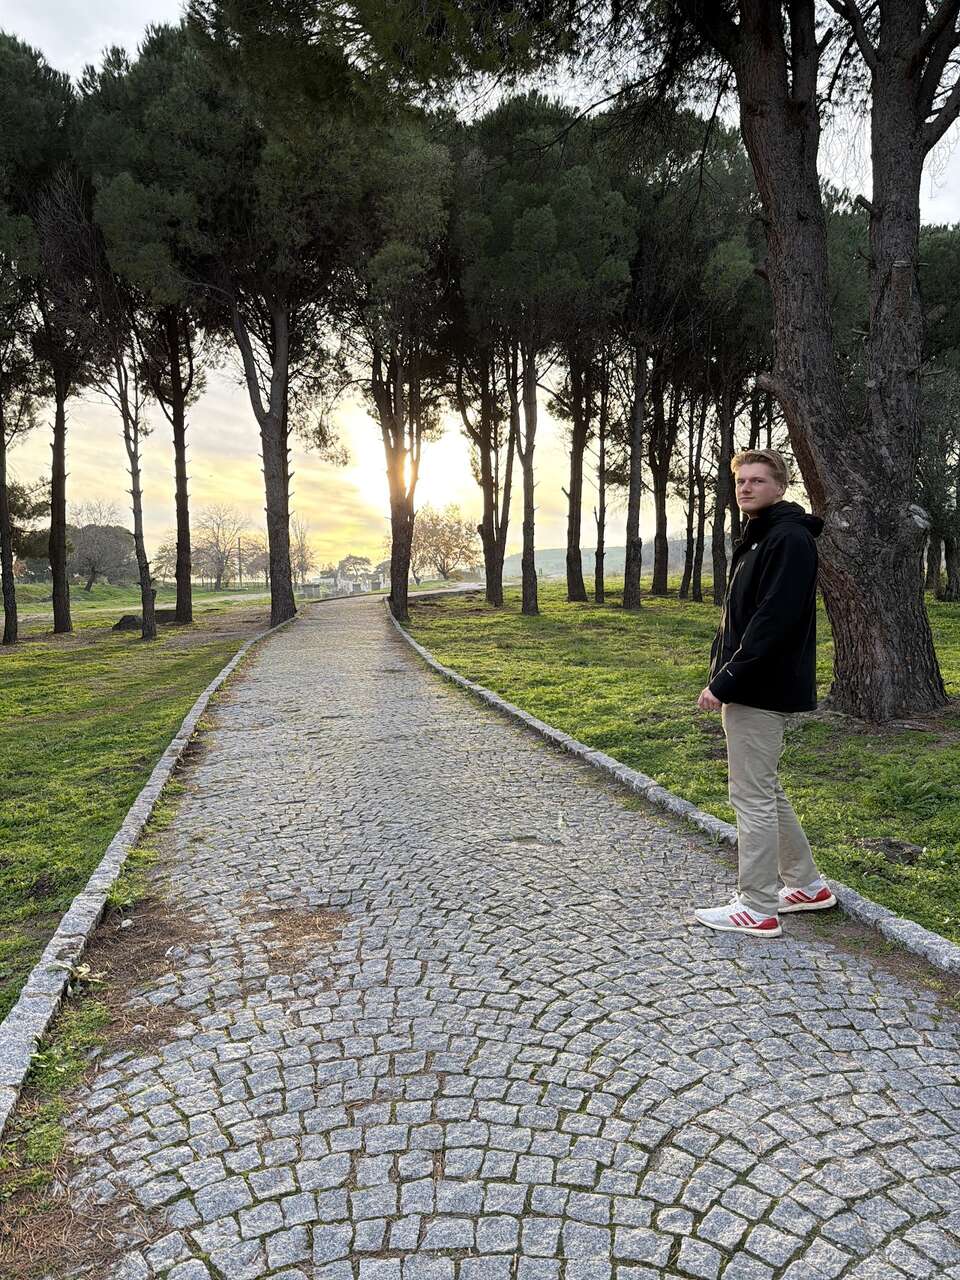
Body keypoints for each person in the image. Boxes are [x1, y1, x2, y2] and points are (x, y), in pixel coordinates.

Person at [694, 449, 836, 937]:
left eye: (757, 480)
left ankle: (757, 907)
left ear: (780, 486)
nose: (746, 488)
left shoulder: (787, 539)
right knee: (765, 790)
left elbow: (772, 621)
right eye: (740, 481)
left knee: (750, 796)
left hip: (760, 685)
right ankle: (807, 885)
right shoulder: (762, 536)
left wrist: (726, 680)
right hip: (754, 681)